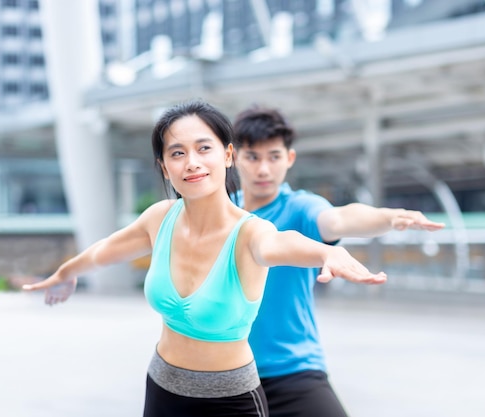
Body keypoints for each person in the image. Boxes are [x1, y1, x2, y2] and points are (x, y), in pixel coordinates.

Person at [22, 99, 387, 417]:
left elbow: (283, 244)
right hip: (162, 387)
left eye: (204, 148)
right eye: (177, 153)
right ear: (165, 167)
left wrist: (327, 252)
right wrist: (67, 272)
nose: (191, 162)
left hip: (231, 401)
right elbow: (106, 250)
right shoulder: (160, 218)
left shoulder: (250, 233)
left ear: (227, 155)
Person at [232, 105, 445, 417]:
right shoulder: (223, 214)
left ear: (289, 159)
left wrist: (388, 217)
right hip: (229, 373)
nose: (263, 169)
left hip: (293, 370)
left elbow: (340, 218)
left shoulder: (301, 208)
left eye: (274, 156)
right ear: (234, 157)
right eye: (252, 157)